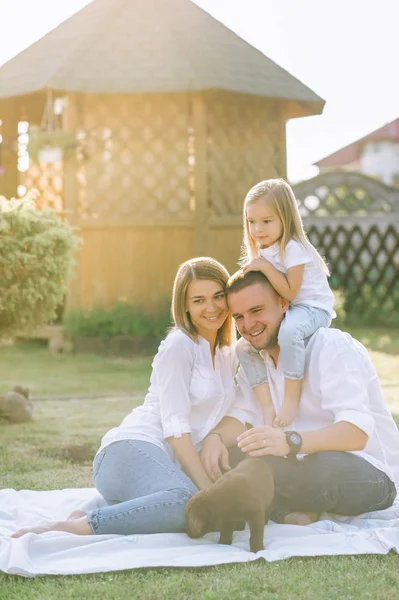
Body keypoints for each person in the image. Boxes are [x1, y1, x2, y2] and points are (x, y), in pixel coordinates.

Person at [12, 257, 250, 538]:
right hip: (128, 449)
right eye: (199, 300)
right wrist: (207, 491)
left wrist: (216, 440)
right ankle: (76, 526)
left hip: (162, 465)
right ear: (184, 306)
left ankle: (95, 507)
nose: (211, 308)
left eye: (218, 296)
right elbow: (175, 430)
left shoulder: (227, 354)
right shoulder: (179, 346)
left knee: (208, 509)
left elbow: (242, 414)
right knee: (188, 504)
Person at [200, 269, 399, 525]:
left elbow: (356, 432)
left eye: (257, 311)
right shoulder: (254, 359)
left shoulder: (330, 346)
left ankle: (277, 506)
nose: (248, 325)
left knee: (324, 468)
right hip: (297, 467)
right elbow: (241, 414)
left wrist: (289, 441)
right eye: (239, 317)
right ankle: (295, 508)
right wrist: (214, 439)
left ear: (284, 303)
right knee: (231, 455)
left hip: (365, 471)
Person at [236, 179, 335, 428]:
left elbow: (291, 292)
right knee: (242, 349)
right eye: (251, 221)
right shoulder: (263, 250)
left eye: (266, 221)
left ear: (285, 219)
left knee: (290, 332)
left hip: (312, 308)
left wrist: (266, 268)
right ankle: (267, 405)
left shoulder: (293, 248)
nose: (258, 229)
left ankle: (291, 398)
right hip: (288, 310)